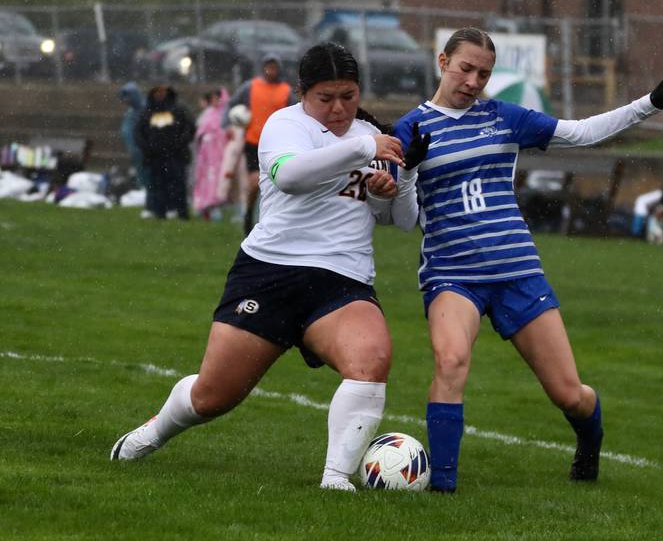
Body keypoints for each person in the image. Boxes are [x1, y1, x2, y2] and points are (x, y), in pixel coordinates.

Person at [110, 43, 426, 492]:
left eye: (348, 96)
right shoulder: (287, 124)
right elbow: (290, 176)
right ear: (302, 93)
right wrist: (362, 149)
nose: (338, 108)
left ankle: (335, 479)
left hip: (343, 280)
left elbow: (401, 219)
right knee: (213, 397)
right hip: (271, 272)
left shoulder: (370, 134)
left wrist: (394, 183)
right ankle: (156, 430)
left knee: (371, 359)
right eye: (326, 97)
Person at [393, 27, 663, 492]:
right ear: (442, 61)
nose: (473, 81)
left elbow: (582, 133)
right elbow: (404, 218)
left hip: (517, 273)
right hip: (453, 275)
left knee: (569, 395)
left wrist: (649, 103)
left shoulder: (505, 117)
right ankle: (442, 488)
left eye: (484, 74)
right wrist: (408, 170)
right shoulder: (410, 128)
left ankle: (589, 441)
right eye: (466, 68)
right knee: (450, 362)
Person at [223, 54, 296, 235]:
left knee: (276, 184)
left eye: (274, 67)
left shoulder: (286, 91)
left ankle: (269, 220)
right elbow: (231, 104)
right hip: (254, 141)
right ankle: (248, 215)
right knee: (255, 183)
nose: (271, 70)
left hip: (278, 144)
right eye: (268, 67)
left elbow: (297, 113)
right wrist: (226, 124)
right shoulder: (251, 87)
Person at [135, 86, 196, 220]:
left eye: (163, 92)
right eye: (157, 92)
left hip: (176, 156)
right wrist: (148, 147)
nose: (160, 95)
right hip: (154, 157)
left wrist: (178, 144)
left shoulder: (178, 110)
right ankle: (159, 212)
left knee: (178, 185)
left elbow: (189, 128)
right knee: (157, 185)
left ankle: (181, 212)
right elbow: (139, 133)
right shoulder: (147, 112)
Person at [192, 87, 229, 220]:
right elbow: (200, 131)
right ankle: (205, 204)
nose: (215, 101)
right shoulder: (208, 113)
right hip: (206, 153)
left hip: (218, 153)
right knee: (205, 178)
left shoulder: (225, 114)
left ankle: (215, 205)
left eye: (217, 98)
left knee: (217, 178)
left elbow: (225, 131)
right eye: (212, 98)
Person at [118, 81, 153, 218]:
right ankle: (144, 195)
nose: (125, 100)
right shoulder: (130, 112)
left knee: (149, 177)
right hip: (136, 151)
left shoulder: (145, 110)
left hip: (145, 150)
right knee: (142, 176)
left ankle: (150, 200)